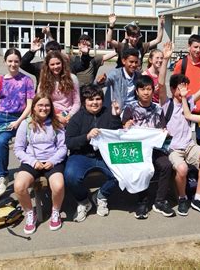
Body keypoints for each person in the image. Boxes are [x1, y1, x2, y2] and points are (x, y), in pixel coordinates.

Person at [158, 42, 200, 217]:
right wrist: (166, 59)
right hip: (173, 148)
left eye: (186, 86)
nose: (185, 89)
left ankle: (198, 198)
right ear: (174, 88)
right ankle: (182, 198)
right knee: (182, 169)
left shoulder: (188, 101)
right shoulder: (166, 103)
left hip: (189, 145)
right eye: (182, 86)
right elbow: (161, 84)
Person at [0, 49, 35, 197]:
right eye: (10, 61)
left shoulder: (27, 80)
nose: (13, 64)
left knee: (30, 144)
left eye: (16, 61)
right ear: (5, 62)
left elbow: (29, 105)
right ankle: (2, 177)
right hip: (1, 118)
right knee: (1, 145)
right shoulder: (0, 81)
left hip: (20, 117)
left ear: (20, 62)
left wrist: (18, 121)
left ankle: (32, 174)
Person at [64, 85, 122, 222]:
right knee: (71, 176)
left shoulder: (109, 113)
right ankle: (83, 200)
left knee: (121, 172)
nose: (94, 102)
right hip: (81, 155)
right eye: (90, 99)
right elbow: (69, 142)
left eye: (98, 99)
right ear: (84, 102)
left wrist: (116, 116)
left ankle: (101, 195)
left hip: (104, 156)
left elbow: (117, 135)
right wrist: (87, 137)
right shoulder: (77, 118)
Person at [121, 74, 174, 219]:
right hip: (137, 149)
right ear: (137, 91)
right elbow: (122, 129)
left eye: (149, 89)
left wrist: (164, 132)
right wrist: (126, 125)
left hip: (154, 148)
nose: (146, 92)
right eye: (142, 89)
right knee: (142, 168)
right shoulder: (130, 108)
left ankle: (160, 201)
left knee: (166, 165)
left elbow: (163, 128)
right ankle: (142, 202)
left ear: (153, 91)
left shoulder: (158, 109)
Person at [13, 94, 67, 234]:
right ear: (34, 107)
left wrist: (52, 161)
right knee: (19, 186)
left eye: (47, 105)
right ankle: (30, 213)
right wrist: (33, 162)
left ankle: (55, 212)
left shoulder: (57, 124)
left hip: (52, 161)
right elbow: (18, 149)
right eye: (40, 105)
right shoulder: (26, 124)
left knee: (58, 185)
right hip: (32, 162)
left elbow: (63, 148)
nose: (44, 108)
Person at [173, 34, 200, 147]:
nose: (198, 50)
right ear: (189, 47)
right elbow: (174, 85)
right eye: (195, 47)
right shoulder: (181, 64)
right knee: (183, 140)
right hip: (185, 108)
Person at [21, 26, 88, 85]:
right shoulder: (41, 67)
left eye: (56, 55)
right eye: (50, 55)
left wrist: (85, 54)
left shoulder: (68, 67)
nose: (55, 66)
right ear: (46, 55)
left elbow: (83, 65)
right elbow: (22, 64)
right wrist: (31, 52)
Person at [38, 50, 81, 125]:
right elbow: (39, 101)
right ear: (48, 66)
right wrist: (54, 116)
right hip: (50, 113)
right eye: (52, 64)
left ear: (63, 63)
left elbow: (77, 102)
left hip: (68, 113)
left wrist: (69, 115)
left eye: (58, 63)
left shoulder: (72, 78)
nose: (56, 67)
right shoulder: (43, 81)